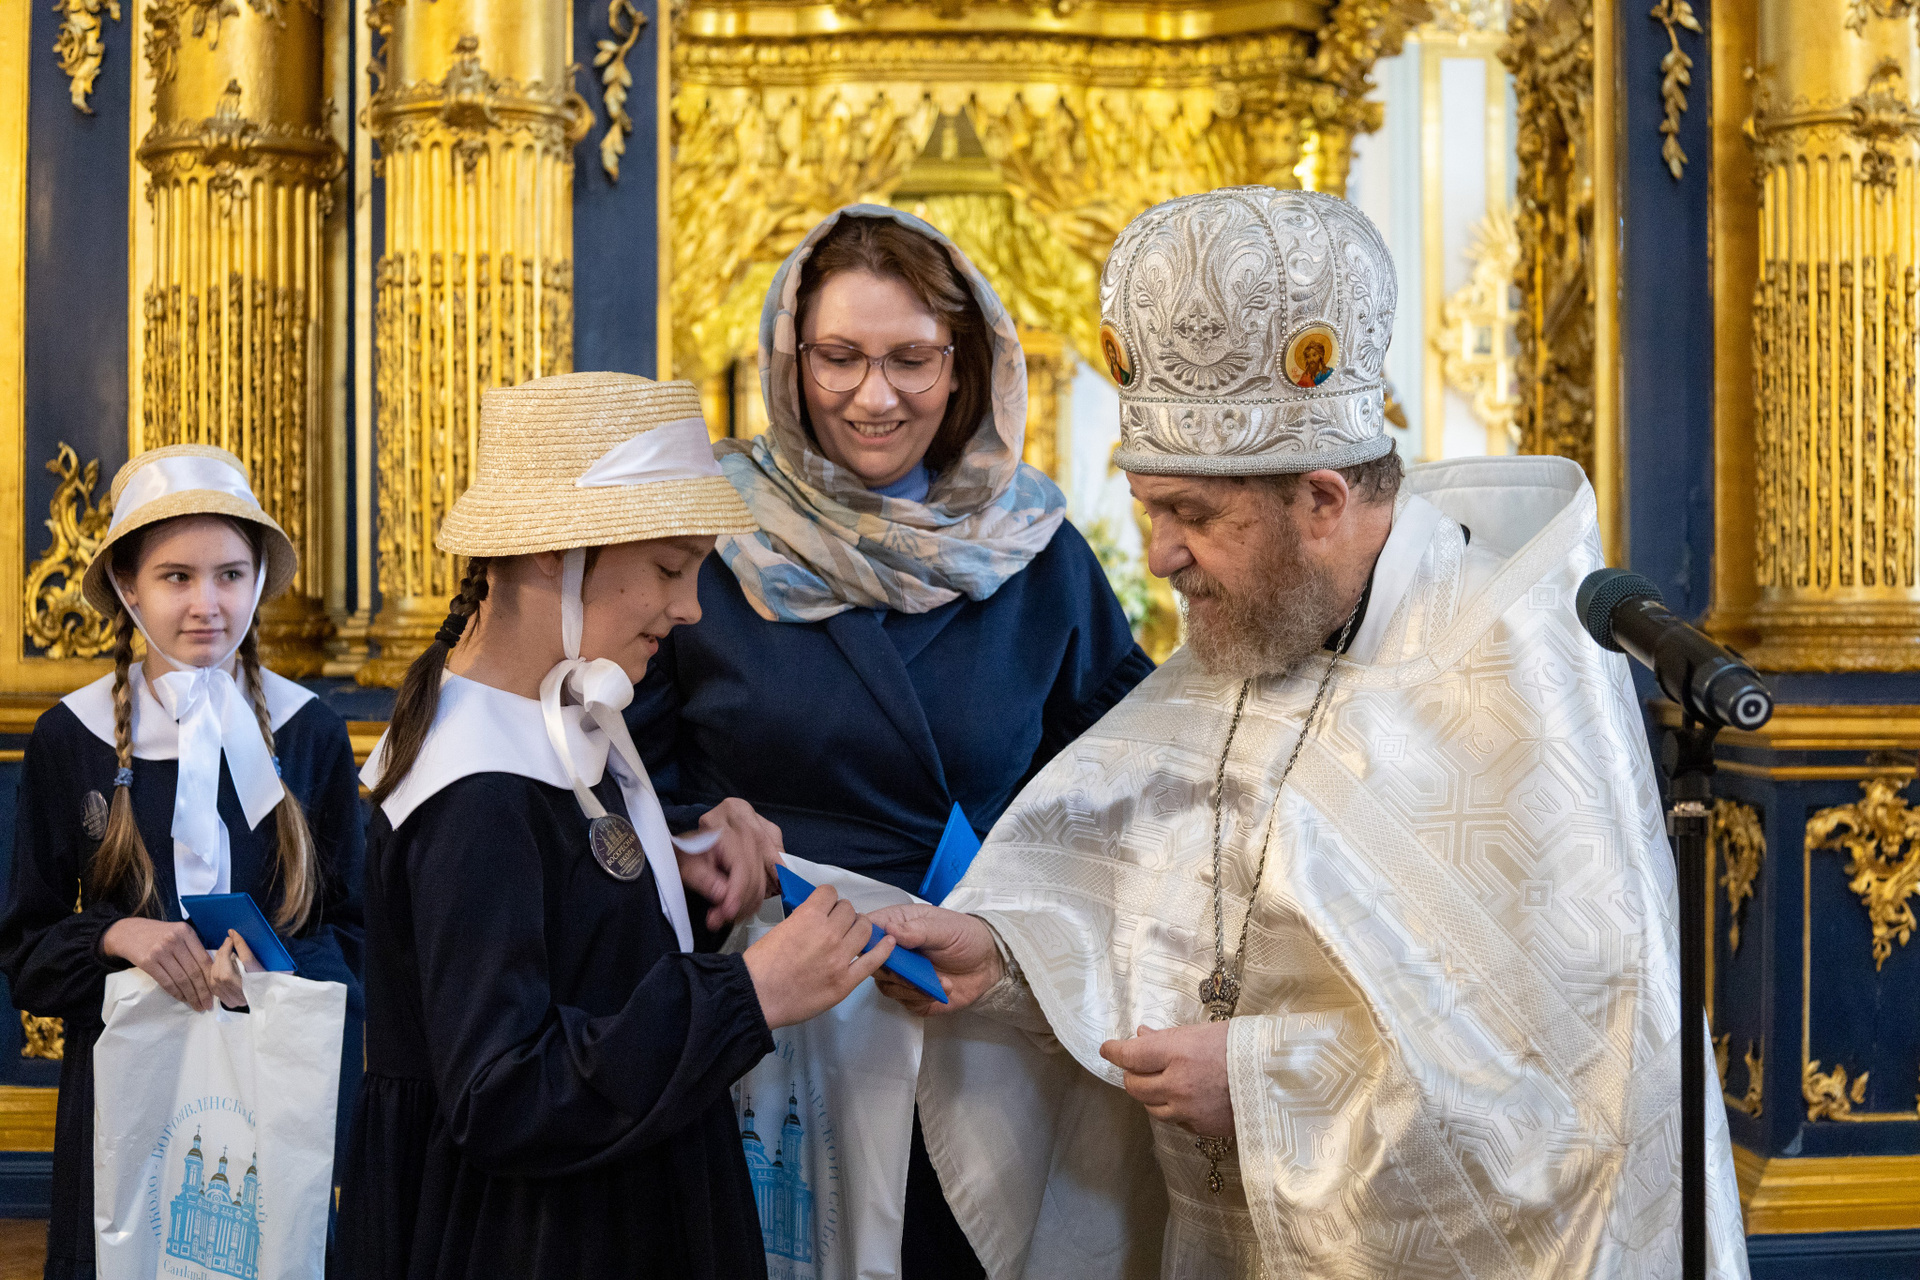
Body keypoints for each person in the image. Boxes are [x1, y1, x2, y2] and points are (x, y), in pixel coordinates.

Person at [870, 187, 1750, 1279]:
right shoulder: (1261, 625)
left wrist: (1266, 1090)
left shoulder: (1514, 681)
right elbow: (1146, 893)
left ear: (1324, 500)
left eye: (1193, 515)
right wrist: (1006, 961)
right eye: (1151, 509)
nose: (1159, 555)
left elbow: (1573, 1106)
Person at [626, 206, 1152, 1277]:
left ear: (965, 366)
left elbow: (1127, 779)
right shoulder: (708, 534)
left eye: (912, 358)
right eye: (840, 357)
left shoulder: (1036, 548)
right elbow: (617, 773)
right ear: (790, 360)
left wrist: (1022, 934)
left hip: (975, 1012)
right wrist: (699, 842)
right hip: (767, 1010)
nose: (875, 396)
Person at [339, 372, 895, 1280]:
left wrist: (684, 860)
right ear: (549, 556)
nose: (691, 608)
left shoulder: (556, 717)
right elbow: (506, 1093)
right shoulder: (473, 790)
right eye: (670, 569)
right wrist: (747, 996)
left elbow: (574, 942)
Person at [0, 444, 364, 1280]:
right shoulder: (72, 738)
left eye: (231, 575)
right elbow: (25, 950)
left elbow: (360, 936)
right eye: (176, 577)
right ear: (128, 587)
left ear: (257, 583)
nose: (208, 604)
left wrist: (274, 971)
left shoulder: (309, 733)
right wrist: (116, 936)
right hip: (119, 1102)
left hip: (271, 1096)